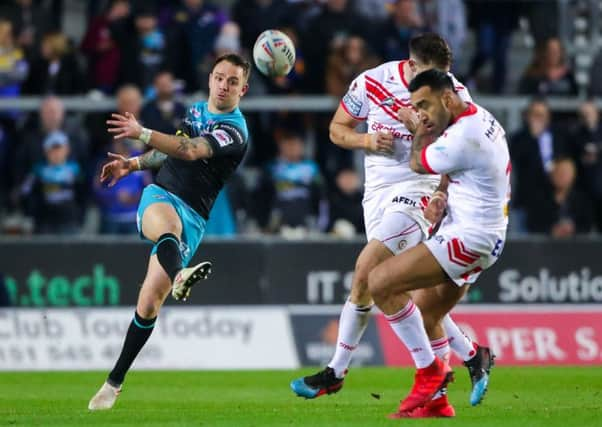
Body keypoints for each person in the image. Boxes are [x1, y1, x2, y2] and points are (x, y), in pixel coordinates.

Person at [290, 33, 494, 414]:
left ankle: (339, 370)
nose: (439, 87)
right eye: (431, 76)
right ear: (412, 67)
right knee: (403, 292)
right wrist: (366, 142)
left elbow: (462, 149)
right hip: (377, 196)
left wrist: (441, 193)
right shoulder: (371, 81)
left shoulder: (455, 94)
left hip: (418, 190)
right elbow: (337, 129)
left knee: (368, 271)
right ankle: (470, 355)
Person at [88, 53, 251, 410]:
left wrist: (142, 134)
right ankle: (181, 274)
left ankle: (112, 385)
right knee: (168, 228)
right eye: (220, 78)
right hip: (160, 195)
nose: (224, 85)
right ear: (210, 79)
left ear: (244, 89)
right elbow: (170, 154)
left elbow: (190, 151)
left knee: (148, 304)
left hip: (194, 217)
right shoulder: (194, 110)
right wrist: (133, 164)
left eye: (233, 81)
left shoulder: (235, 131)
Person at [367, 69, 510, 418]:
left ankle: (429, 372)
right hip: (487, 236)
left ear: (447, 99)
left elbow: (419, 162)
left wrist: (417, 129)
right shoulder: (479, 118)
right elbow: (454, 166)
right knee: (428, 311)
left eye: (424, 106)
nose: (422, 114)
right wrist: (443, 193)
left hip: (468, 238)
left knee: (380, 282)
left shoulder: (464, 136)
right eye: (416, 108)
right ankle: (438, 402)